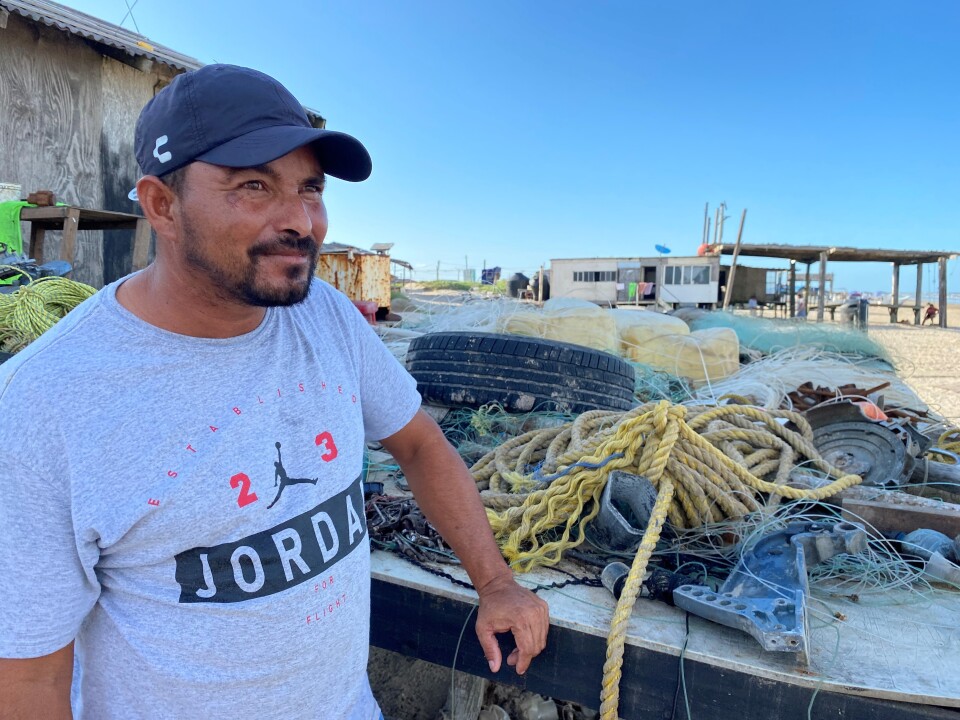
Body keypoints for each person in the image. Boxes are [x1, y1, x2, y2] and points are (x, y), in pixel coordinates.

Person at [0, 64, 549, 720]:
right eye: (254, 186)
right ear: (161, 205)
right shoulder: (45, 403)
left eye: (310, 189)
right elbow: (28, 678)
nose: (303, 222)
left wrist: (495, 582)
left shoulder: (329, 317)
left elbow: (421, 444)